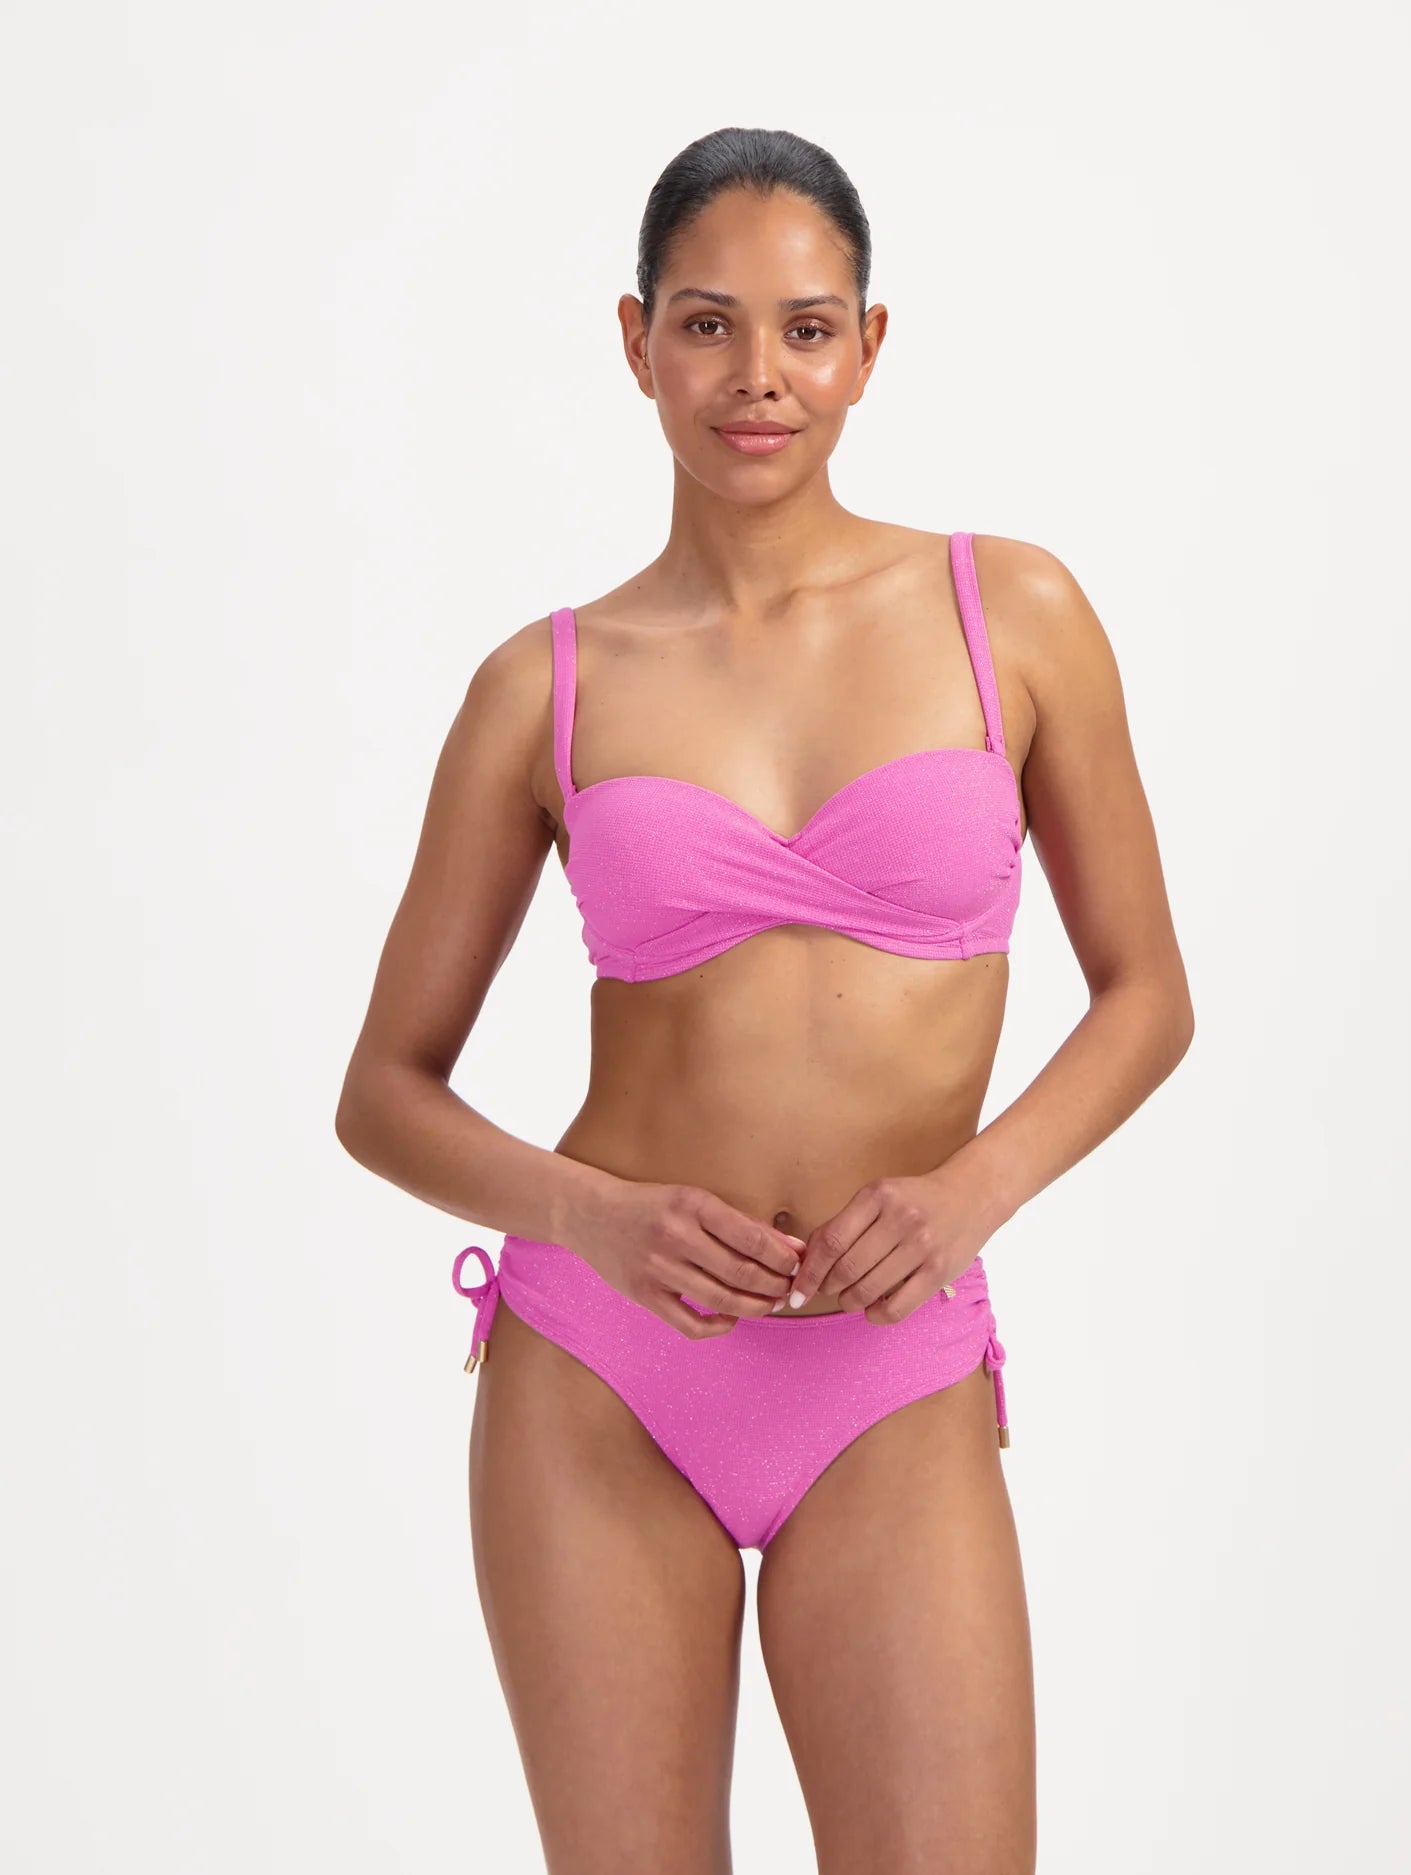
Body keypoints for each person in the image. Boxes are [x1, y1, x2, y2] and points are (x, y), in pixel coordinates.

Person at [336, 124, 1193, 1875]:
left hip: (892, 1365)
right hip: (603, 1375)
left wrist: (974, 1192)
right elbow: (384, 1093)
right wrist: (591, 1215)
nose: (758, 378)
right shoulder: (545, 687)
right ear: (637, 340)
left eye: (806, 330)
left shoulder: (1011, 613)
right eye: (708, 325)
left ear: (869, 348)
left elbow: (1147, 995)